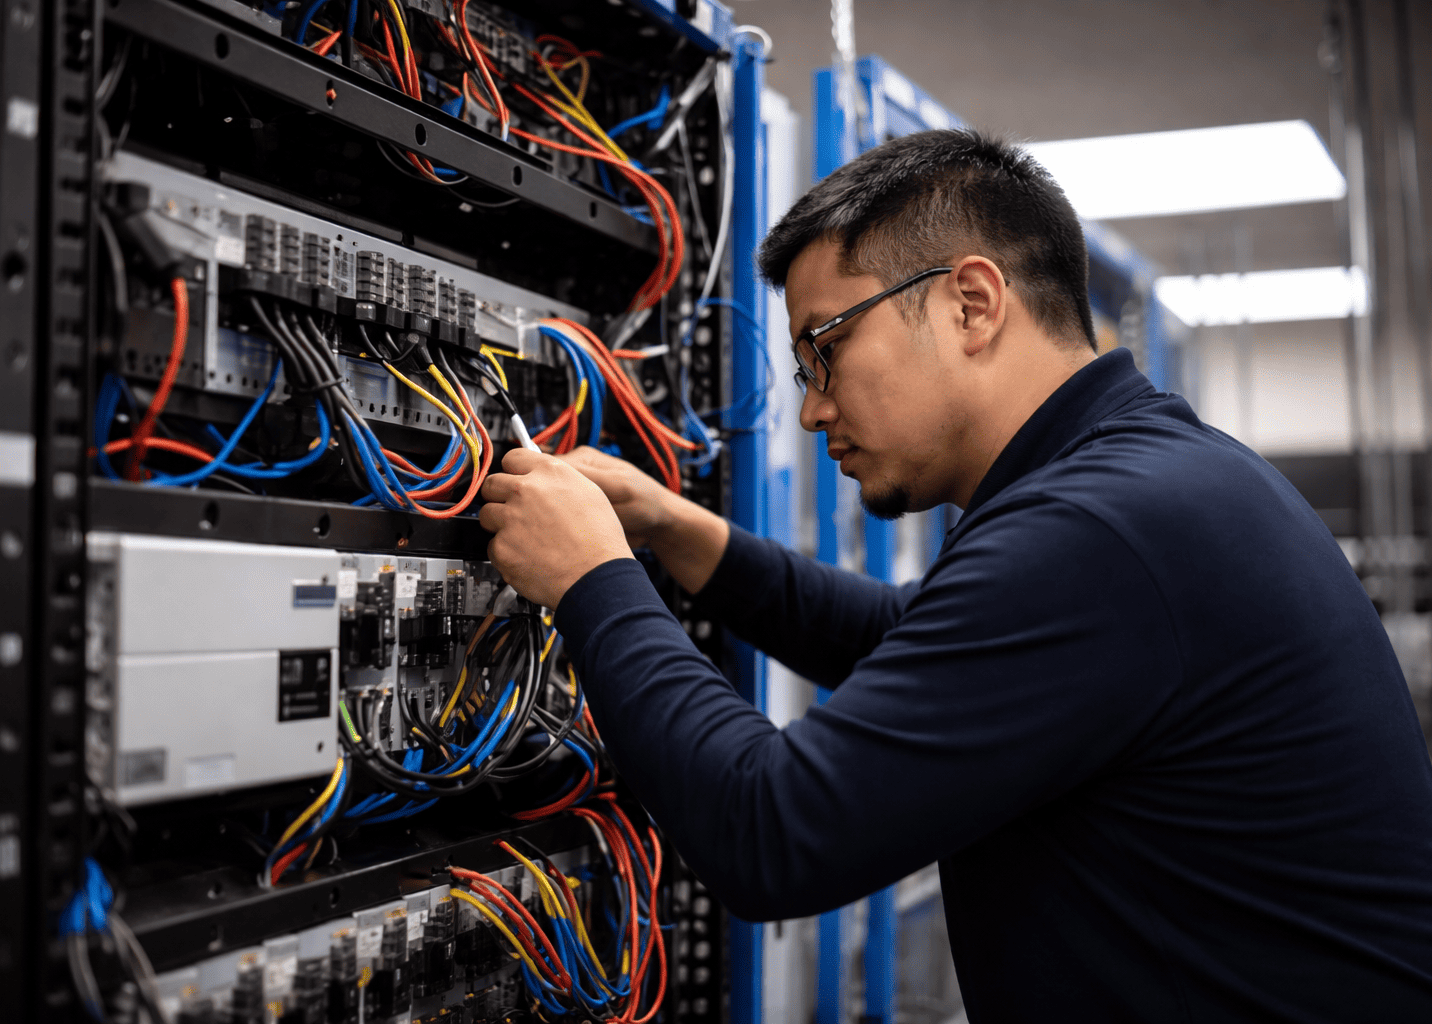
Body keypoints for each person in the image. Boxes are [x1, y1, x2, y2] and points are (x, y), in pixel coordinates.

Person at [477, 129, 1432, 1021]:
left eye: (826, 348)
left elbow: (771, 832)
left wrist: (593, 576)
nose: (812, 411)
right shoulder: (1146, 478)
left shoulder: (1100, 528)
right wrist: (671, 529)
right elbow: (900, 640)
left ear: (970, 303)